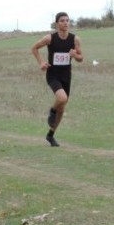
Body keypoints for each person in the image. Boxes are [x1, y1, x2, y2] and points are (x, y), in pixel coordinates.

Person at [31, 12, 83, 147]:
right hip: (53, 75)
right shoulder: (49, 38)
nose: (65, 23)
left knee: (62, 108)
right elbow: (34, 48)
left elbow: (81, 58)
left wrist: (75, 55)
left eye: (67, 20)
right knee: (62, 98)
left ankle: (51, 135)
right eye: (62, 21)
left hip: (66, 76)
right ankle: (52, 111)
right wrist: (41, 63)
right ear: (56, 24)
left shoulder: (75, 39)